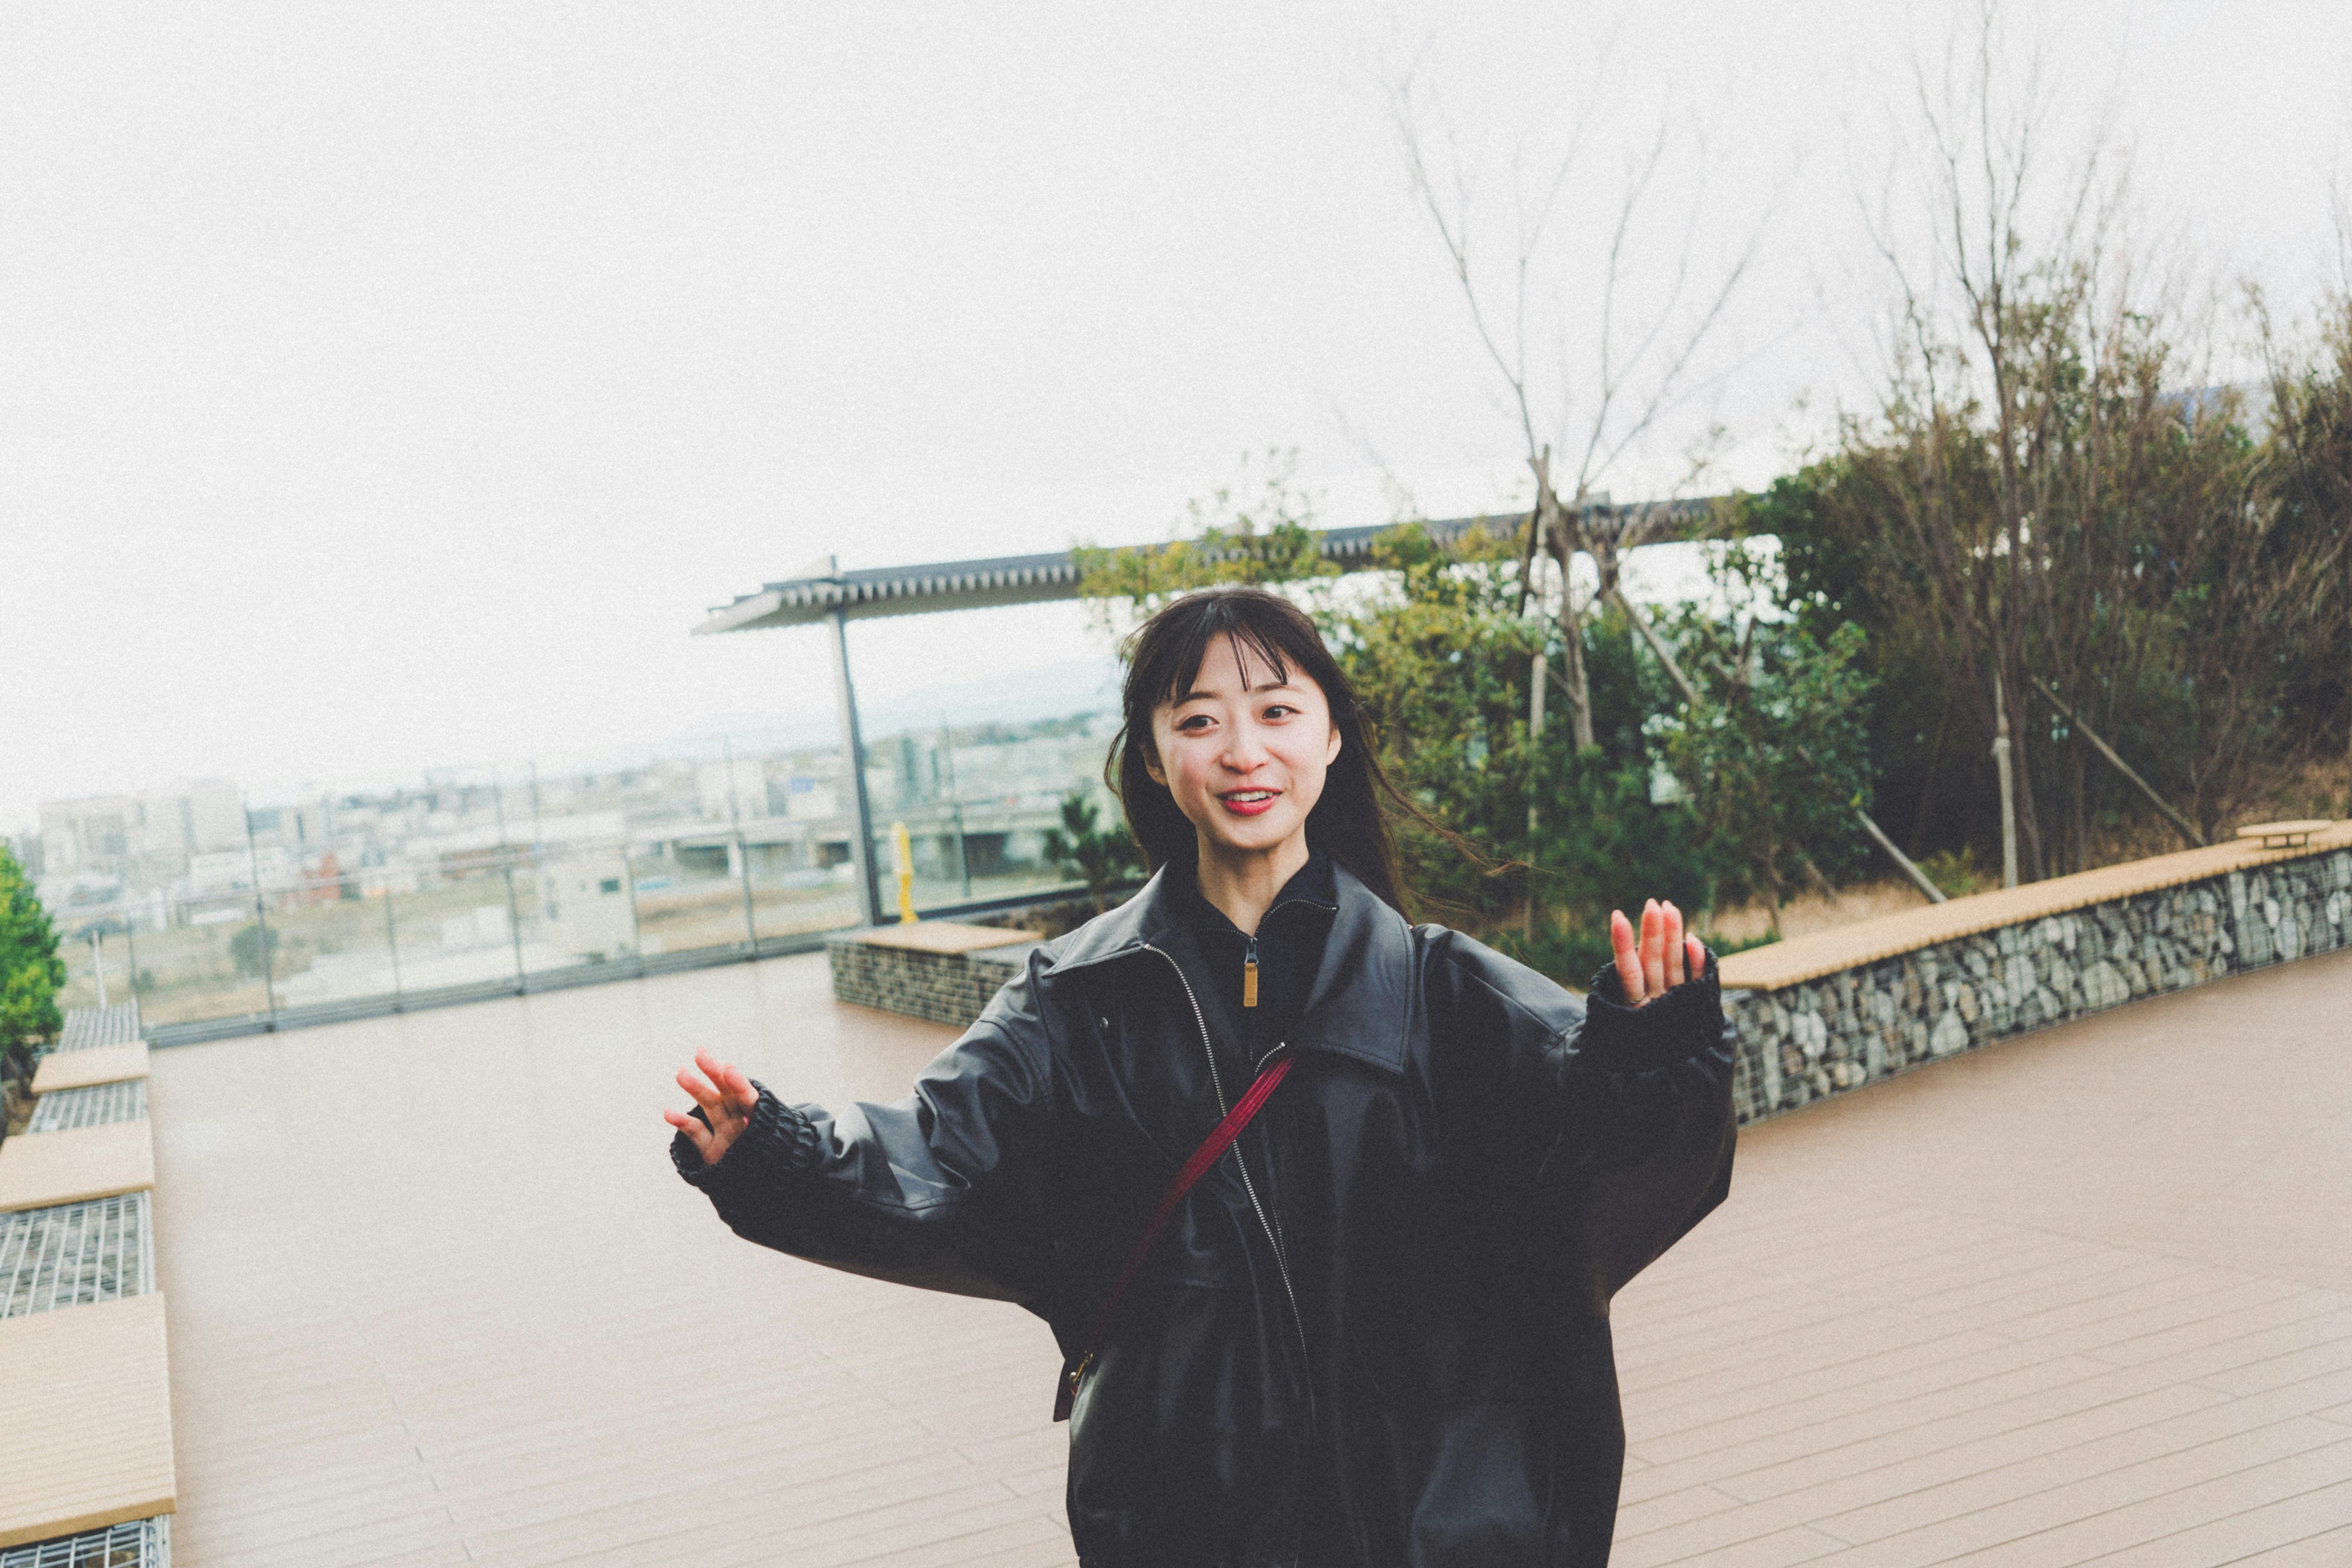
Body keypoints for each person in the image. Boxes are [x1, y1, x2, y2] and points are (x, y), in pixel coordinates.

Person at [666, 586, 1736, 1567]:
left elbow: (1594, 1164)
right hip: (1191, 1510)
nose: (1242, 751)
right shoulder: (1073, 1003)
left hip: (1427, 1508)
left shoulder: (1439, 990)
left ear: (1330, 736)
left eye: (1276, 711)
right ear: (1151, 753)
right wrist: (775, 1153)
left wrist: (1652, 1054)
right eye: (1198, 719)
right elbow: (937, 1155)